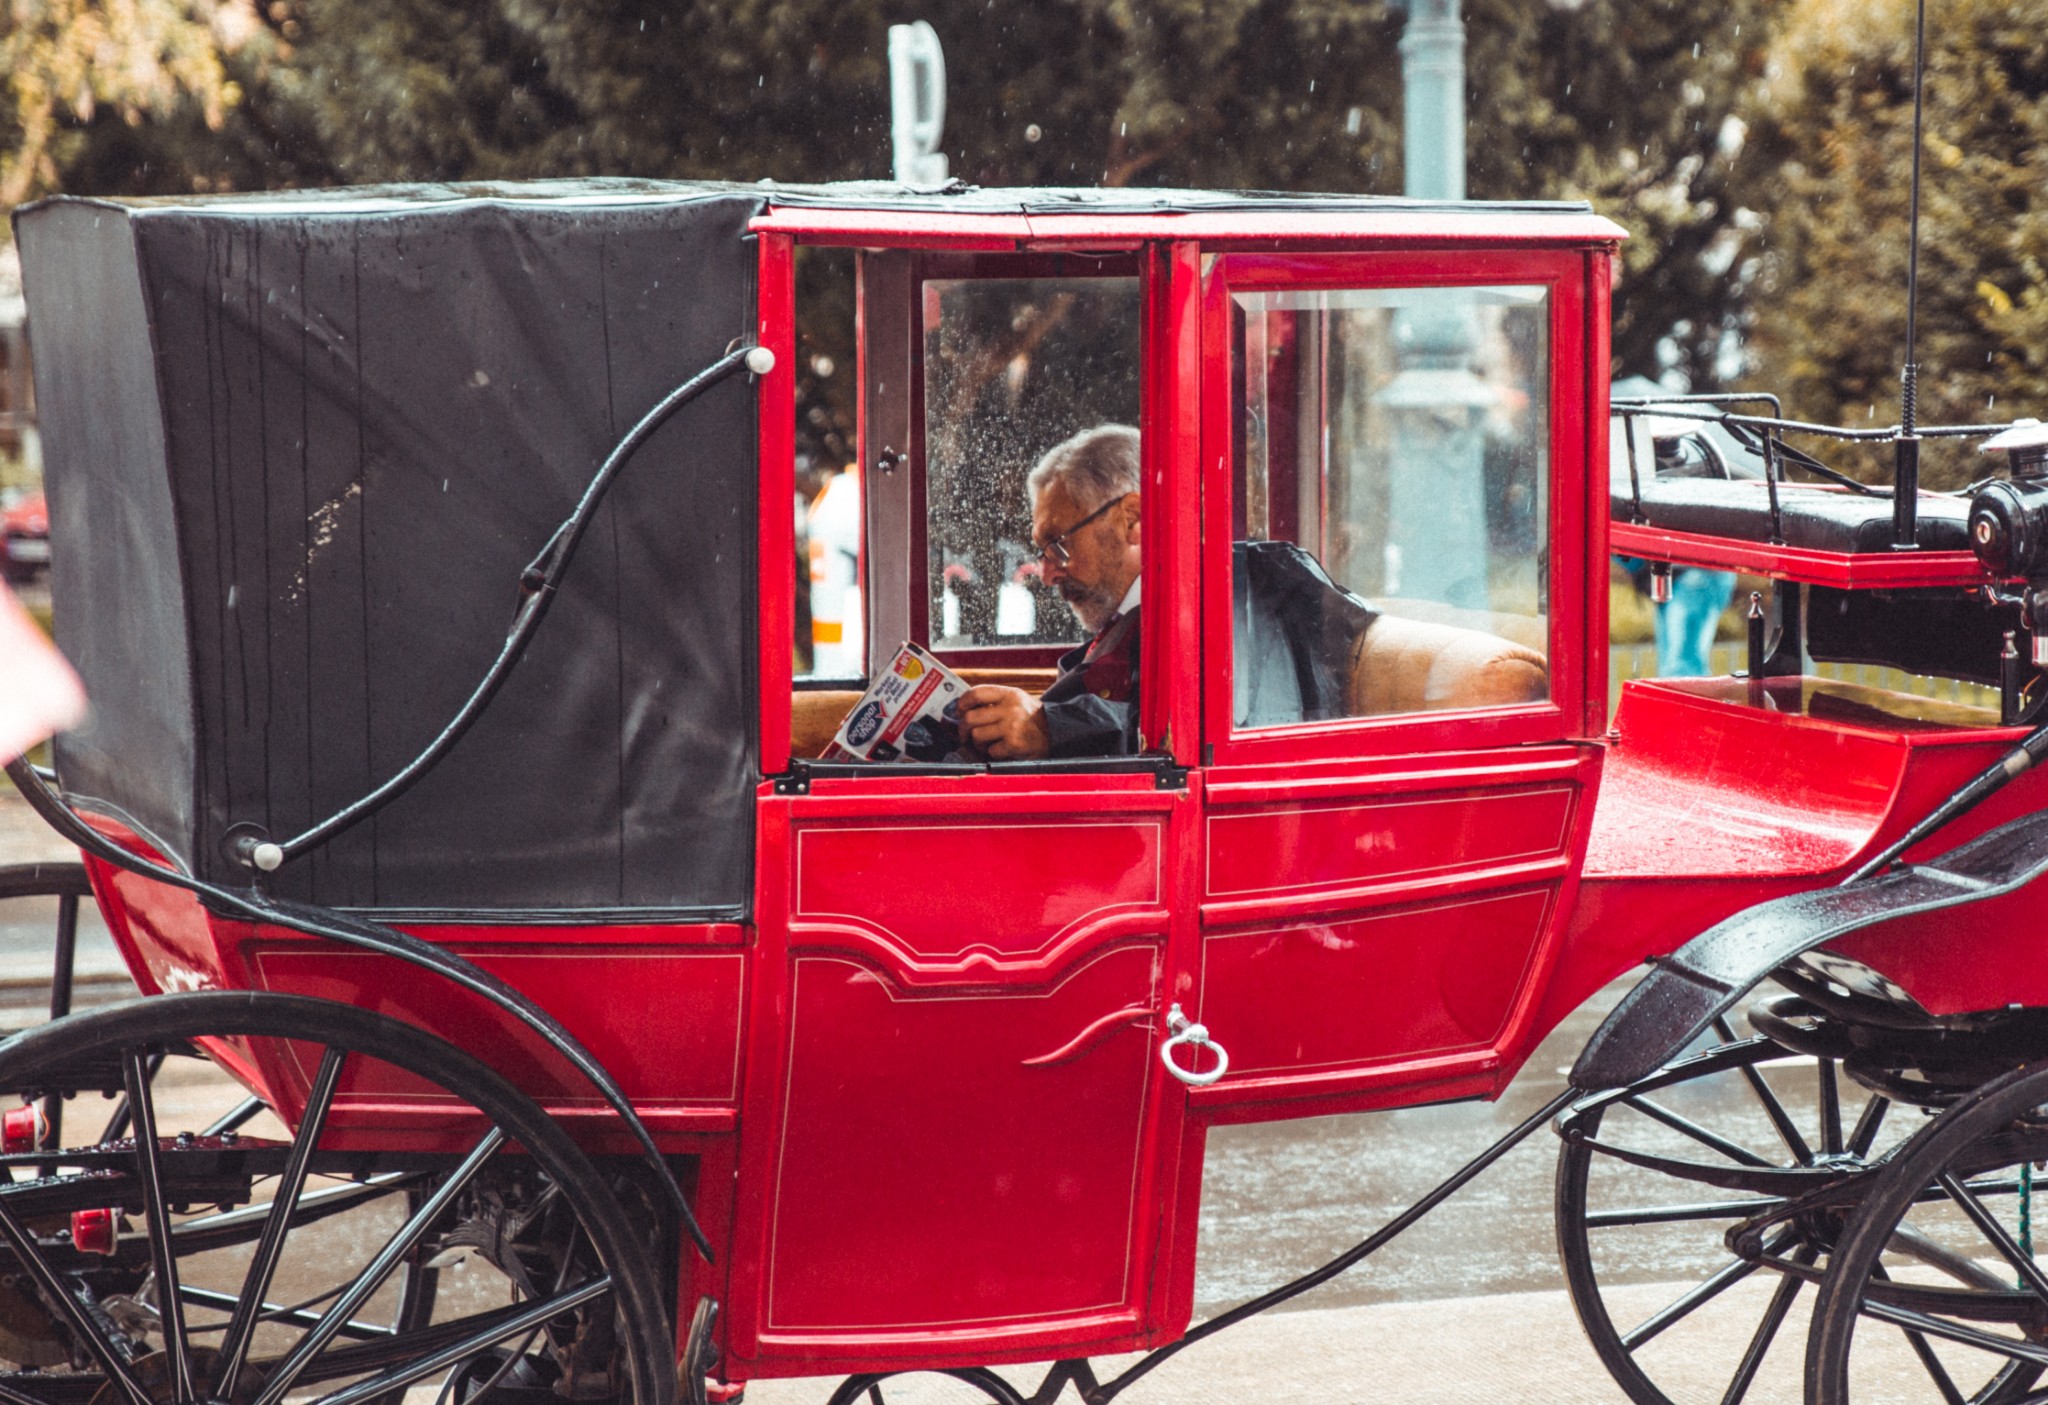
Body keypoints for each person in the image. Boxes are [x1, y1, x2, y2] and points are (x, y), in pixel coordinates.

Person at [960, 425, 1141, 760]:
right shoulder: (1122, 625)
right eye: (1043, 551)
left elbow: (1177, 738)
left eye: (1059, 543)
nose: (1046, 575)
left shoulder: (1204, 614)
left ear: (1132, 518)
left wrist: (1049, 728)